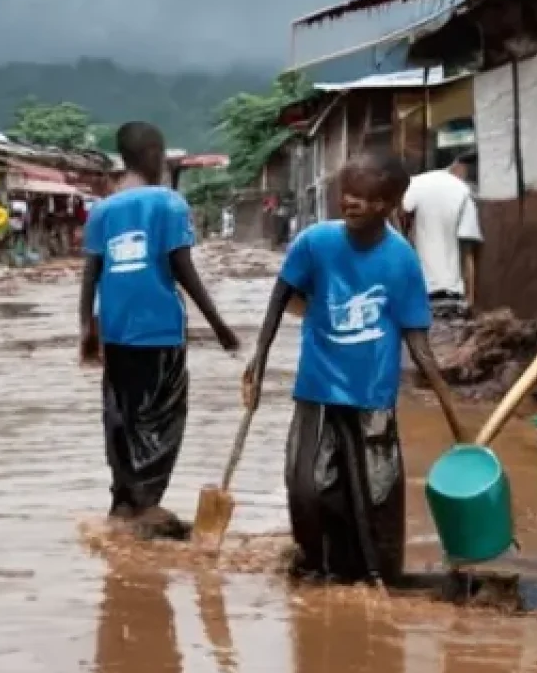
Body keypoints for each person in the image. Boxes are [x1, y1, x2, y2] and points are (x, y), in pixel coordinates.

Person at [242, 150, 462, 585]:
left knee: (375, 494)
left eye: (364, 197)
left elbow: (418, 343)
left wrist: (456, 422)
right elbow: (281, 295)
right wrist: (259, 359)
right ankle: (315, 569)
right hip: (318, 387)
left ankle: (376, 575)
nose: (350, 203)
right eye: (346, 194)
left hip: (371, 396)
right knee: (309, 486)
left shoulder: (401, 261)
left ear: (388, 204)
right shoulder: (314, 243)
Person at [79, 121, 241, 534]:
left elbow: (91, 273)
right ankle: (146, 505)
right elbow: (181, 268)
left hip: (115, 331)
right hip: (160, 331)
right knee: (162, 418)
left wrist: (86, 328)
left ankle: (123, 503)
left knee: (122, 416)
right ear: (154, 154)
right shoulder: (169, 205)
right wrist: (219, 324)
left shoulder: (102, 210)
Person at [400, 152, 483, 317]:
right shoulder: (463, 192)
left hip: (418, 291)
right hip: (452, 295)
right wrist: (470, 300)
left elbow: (400, 216)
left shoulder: (414, 184)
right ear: (460, 167)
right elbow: (468, 254)